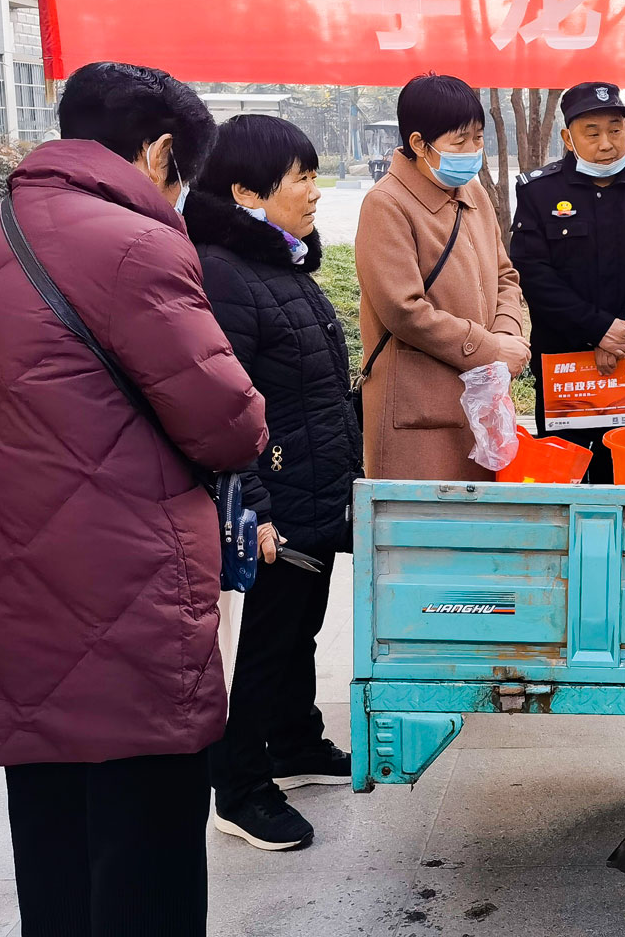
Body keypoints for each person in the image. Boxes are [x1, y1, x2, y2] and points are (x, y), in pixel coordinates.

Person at [0, 62, 267, 936]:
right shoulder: (134, 245)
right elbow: (227, 423)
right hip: (120, 597)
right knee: (145, 859)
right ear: (158, 153)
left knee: (54, 852)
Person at [183, 115, 359, 851]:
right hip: (274, 498)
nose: (315, 191)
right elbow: (224, 402)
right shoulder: (223, 272)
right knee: (263, 643)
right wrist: (253, 506)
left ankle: (294, 743)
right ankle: (240, 786)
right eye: (302, 177)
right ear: (247, 190)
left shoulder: (280, 263)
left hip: (312, 486)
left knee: (298, 628)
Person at [511, 82, 625, 482]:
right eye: (592, 132)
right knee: (564, 480)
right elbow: (534, 275)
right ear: (568, 138)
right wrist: (598, 330)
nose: (606, 143)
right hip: (565, 369)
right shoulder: (539, 193)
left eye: (615, 129)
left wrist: (623, 333)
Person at [357, 73, 529, 480]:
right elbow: (403, 310)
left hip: (483, 397)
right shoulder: (386, 204)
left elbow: (505, 276)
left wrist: (507, 336)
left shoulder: (475, 194)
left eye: (479, 138)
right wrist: (489, 349)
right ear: (419, 144)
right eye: (459, 142)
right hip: (417, 412)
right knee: (422, 531)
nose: (472, 151)